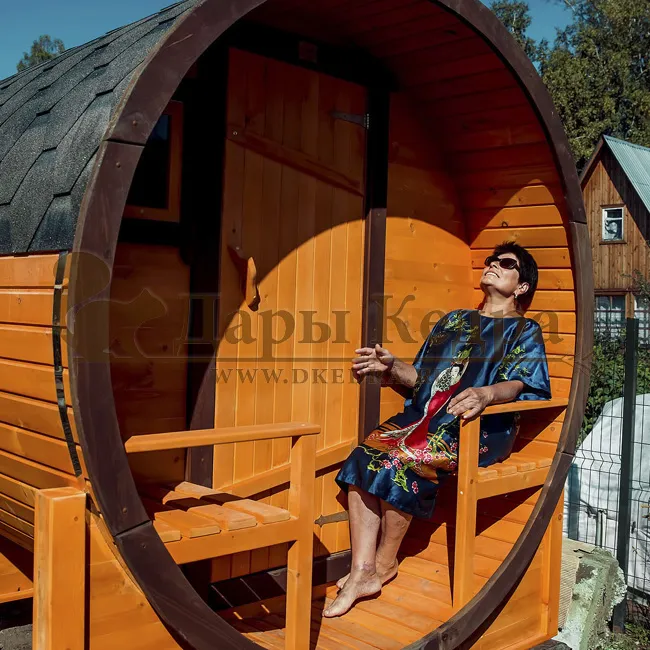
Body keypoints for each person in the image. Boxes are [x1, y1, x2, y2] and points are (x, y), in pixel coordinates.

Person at [323, 241, 551, 618]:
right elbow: (422, 380)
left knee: (403, 459)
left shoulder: (524, 330)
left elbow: (520, 384)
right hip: (425, 417)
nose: (493, 264)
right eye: (491, 260)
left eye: (505, 263)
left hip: (477, 427)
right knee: (366, 454)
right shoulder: (454, 321)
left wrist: (486, 393)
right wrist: (391, 367)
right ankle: (363, 570)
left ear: (522, 285)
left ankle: (383, 564)